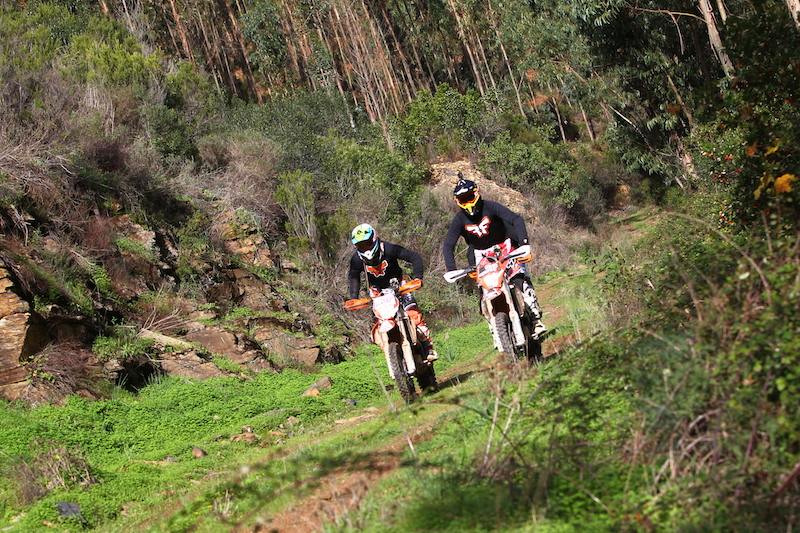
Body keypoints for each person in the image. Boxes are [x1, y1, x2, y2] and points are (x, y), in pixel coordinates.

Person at [443, 174, 546, 336]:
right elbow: (448, 245)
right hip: (481, 255)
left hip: (503, 245)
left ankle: (535, 318)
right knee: (484, 291)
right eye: (464, 199)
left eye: (470, 197)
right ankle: (495, 327)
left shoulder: (490, 206)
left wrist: (524, 242)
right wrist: (451, 268)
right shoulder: (458, 220)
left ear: (477, 194)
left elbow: (516, 219)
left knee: (519, 278)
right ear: (457, 202)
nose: (468, 202)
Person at [348, 223, 438, 362]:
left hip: (398, 286)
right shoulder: (357, 260)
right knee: (379, 323)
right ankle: (390, 352)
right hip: (378, 293)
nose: (365, 248)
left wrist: (417, 278)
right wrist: (354, 298)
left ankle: (427, 346)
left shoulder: (389, 249)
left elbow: (414, 257)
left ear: (374, 238)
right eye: (361, 246)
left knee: (413, 313)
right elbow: (354, 277)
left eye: (367, 243)